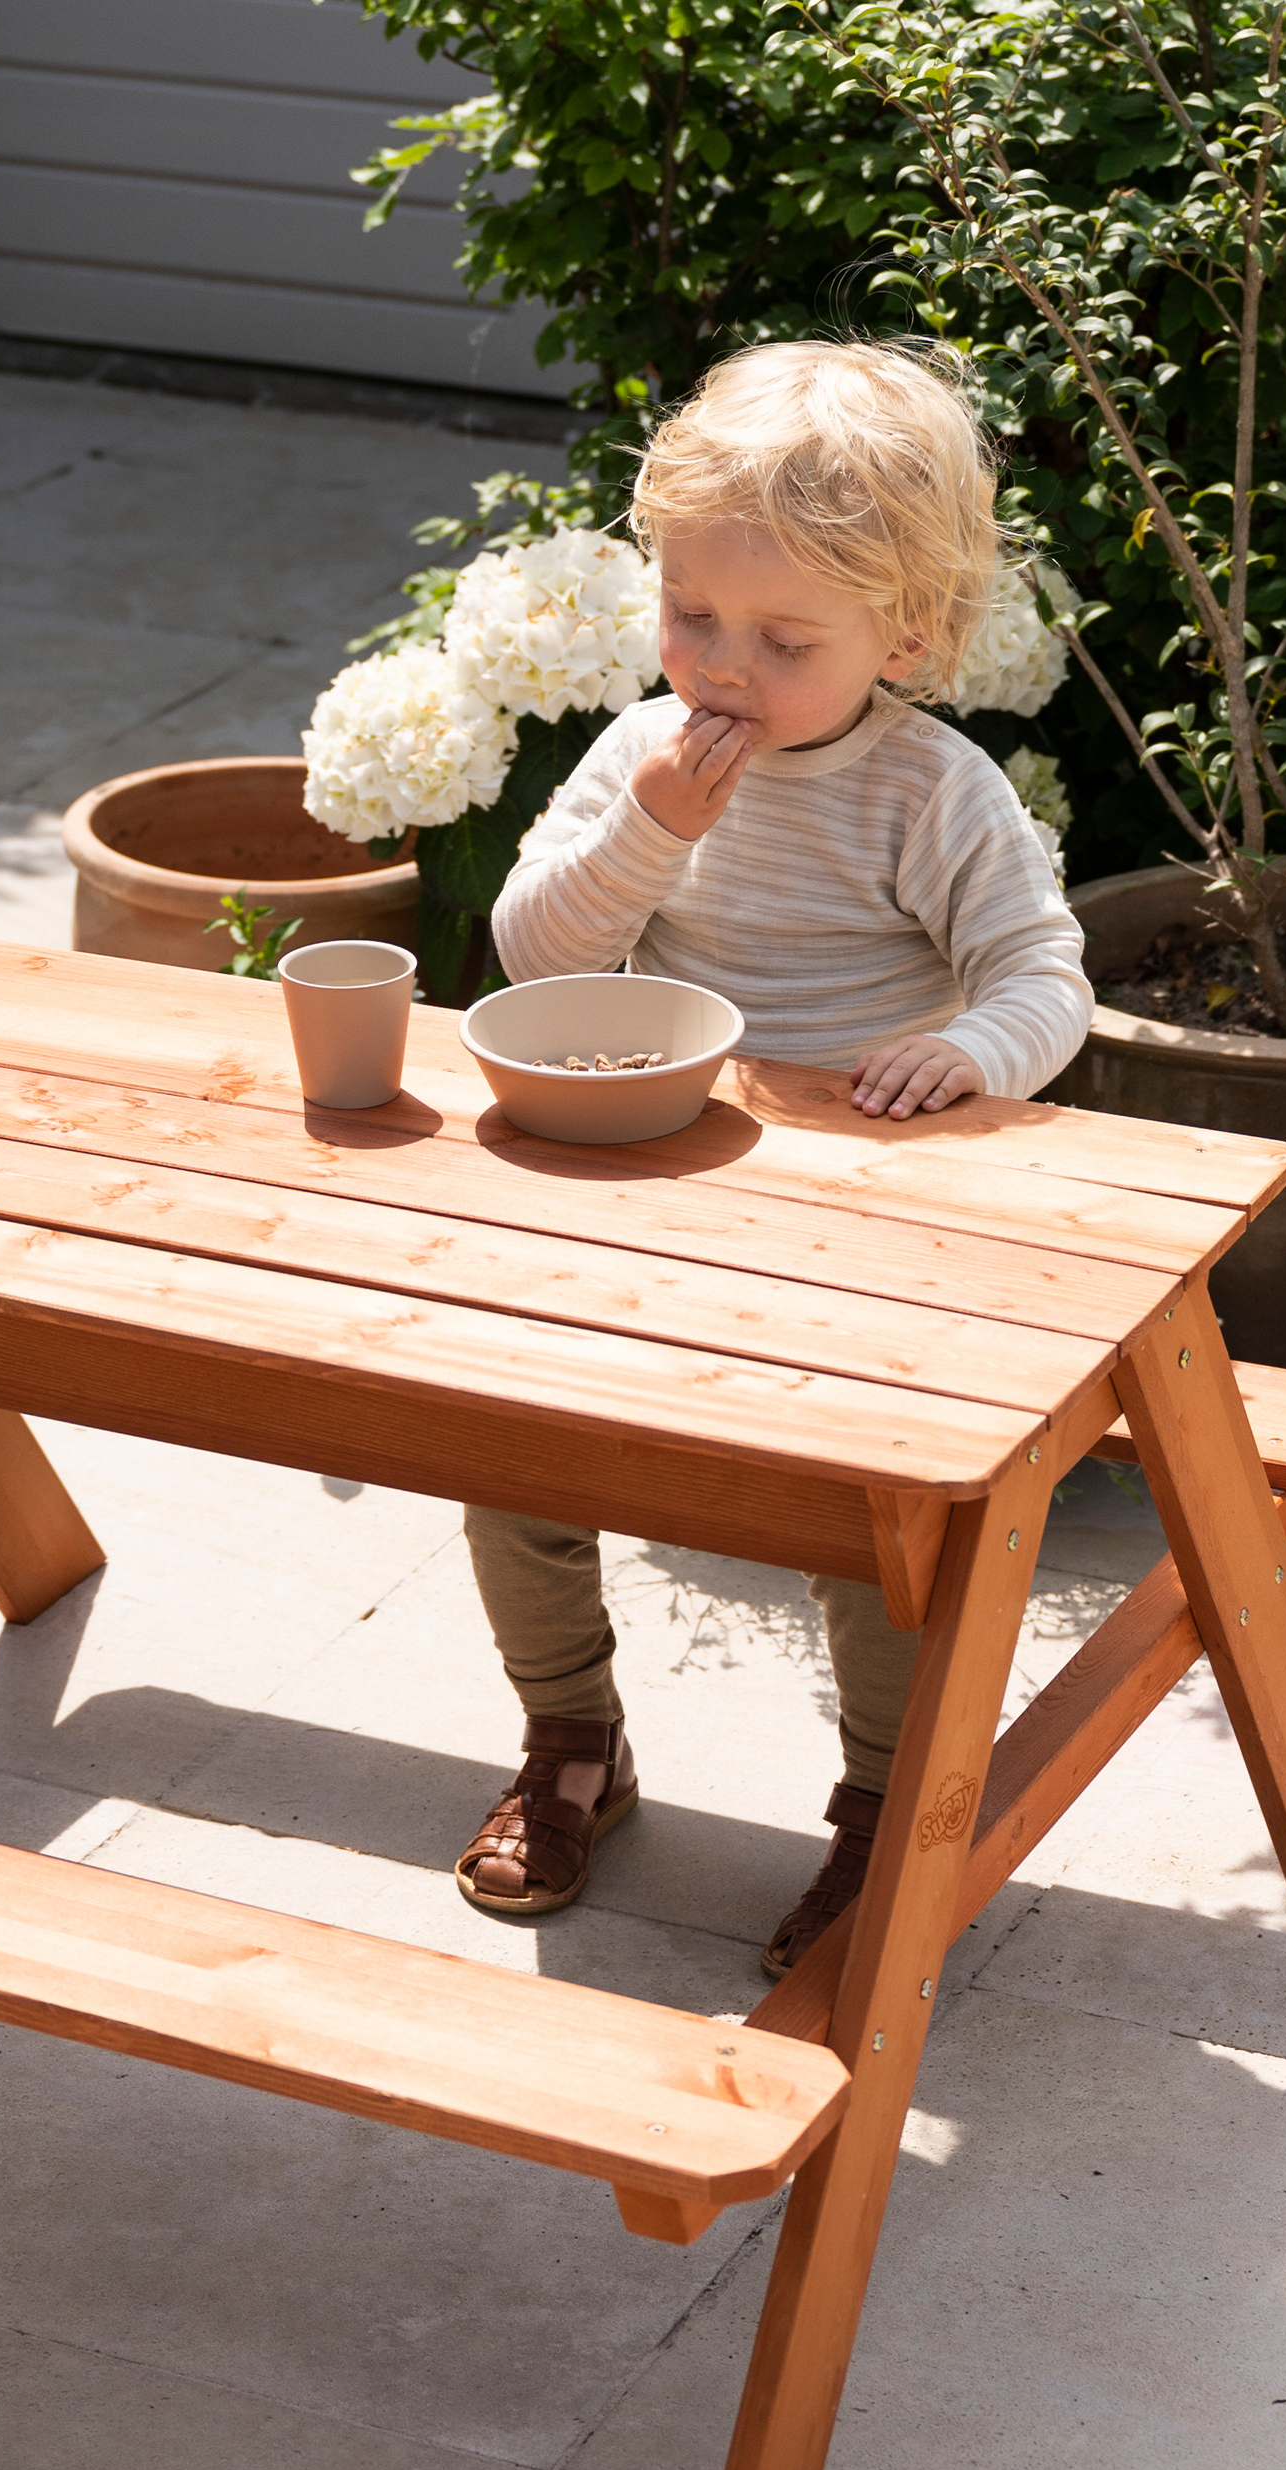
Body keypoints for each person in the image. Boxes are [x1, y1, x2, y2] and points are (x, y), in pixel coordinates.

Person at [452, 337, 1094, 1973]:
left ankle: (883, 1811)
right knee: (517, 1451)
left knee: (867, 1517)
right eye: (693, 618)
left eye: (785, 638)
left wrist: (966, 1049)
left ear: (915, 635)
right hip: (664, 1187)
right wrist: (656, 823)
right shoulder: (635, 759)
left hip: (863, 1213)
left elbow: (1044, 978)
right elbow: (533, 955)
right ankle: (570, 1738)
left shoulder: (928, 793)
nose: (723, 669)